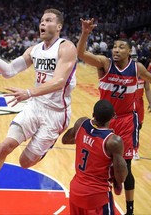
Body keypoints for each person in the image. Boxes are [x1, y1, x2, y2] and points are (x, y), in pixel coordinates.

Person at [0, 8, 77, 210]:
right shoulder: (34, 50)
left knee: (24, 163)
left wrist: (28, 92)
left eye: (48, 20)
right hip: (35, 106)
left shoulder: (67, 48)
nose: (43, 24)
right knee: (6, 145)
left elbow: (59, 82)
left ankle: (45, 147)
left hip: (56, 114)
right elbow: (10, 70)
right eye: (41, 20)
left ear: (59, 27)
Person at [77, 18, 151, 215]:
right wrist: (85, 33)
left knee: (125, 165)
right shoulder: (104, 63)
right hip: (105, 122)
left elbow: (149, 81)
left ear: (129, 51)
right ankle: (110, 185)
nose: (116, 50)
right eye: (114, 47)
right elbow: (81, 54)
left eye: (120, 48)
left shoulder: (137, 69)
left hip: (127, 120)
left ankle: (130, 209)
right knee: (100, 162)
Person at [62, 99, 128, 214]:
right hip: (98, 196)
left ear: (93, 115)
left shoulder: (81, 123)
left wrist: (86, 141)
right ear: (113, 116)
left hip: (76, 191)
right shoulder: (113, 141)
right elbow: (121, 177)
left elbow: (65, 140)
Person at [133, 77, 151, 160]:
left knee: (138, 126)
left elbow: (147, 89)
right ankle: (134, 150)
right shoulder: (129, 72)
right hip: (129, 101)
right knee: (131, 126)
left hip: (139, 103)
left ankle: (133, 149)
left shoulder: (144, 73)